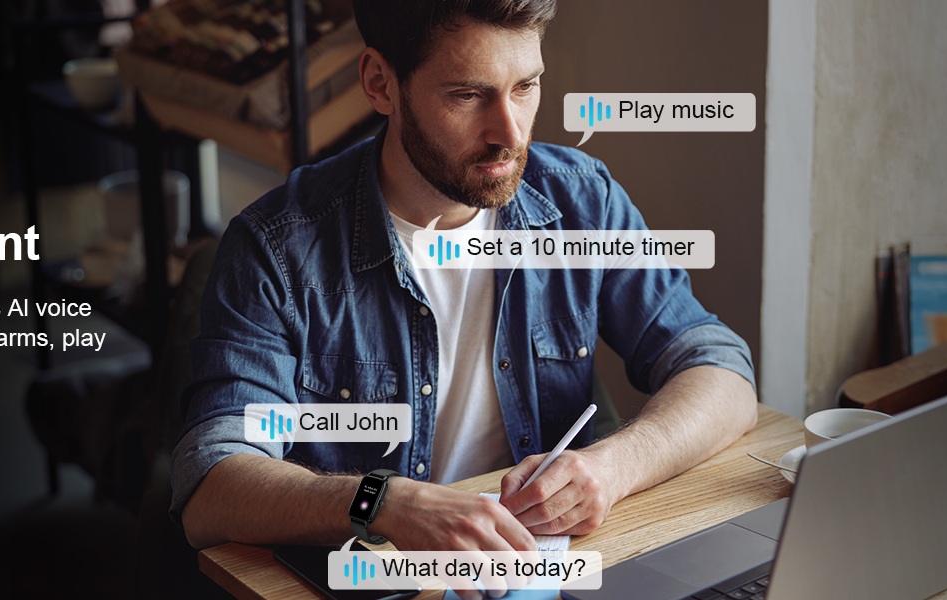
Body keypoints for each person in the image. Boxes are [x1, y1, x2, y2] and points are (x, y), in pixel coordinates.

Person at [170, 0, 756, 574]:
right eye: (468, 95)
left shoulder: (583, 202)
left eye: (526, 86)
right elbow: (211, 483)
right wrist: (387, 504)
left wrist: (613, 466)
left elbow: (722, 371)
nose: (510, 133)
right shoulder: (276, 248)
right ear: (381, 84)